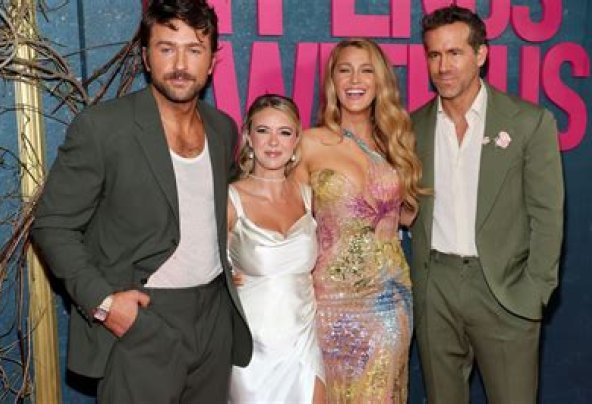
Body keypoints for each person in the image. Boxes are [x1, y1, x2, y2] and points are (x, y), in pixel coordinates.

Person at [30, 1, 252, 402]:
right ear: (146, 57)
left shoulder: (222, 130)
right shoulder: (103, 128)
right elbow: (52, 225)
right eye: (167, 48)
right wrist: (104, 303)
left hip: (214, 321)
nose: (180, 64)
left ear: (212, 61)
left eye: (194, 49)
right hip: (144, 320)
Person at [409, 5, 564, 404]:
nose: (443, 66)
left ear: (481, 54)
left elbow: (547, 215)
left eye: (454, 53)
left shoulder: (529, 122)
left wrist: (534, 292)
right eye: (434, 54)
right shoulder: (411, 128)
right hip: (435, 288)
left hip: (503, 290)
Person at [293, 38, 424, 403]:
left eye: (366, 70)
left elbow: (408, 215)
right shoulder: (309, 143)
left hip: (387, 303)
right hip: (328, 304)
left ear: (380, 81)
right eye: (345, 70)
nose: (355, 80)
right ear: (332, 81)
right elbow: (288, 222)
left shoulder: (395, 145)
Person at [227, 94, 325, 403]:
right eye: (263, 131)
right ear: (248, 136)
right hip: (253, 351)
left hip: (304, 344)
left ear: (296, 140)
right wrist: (224, 279)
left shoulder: (309, 197)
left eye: (284, 132)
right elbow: (201, 263)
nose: (273, 142)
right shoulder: (230, 199)